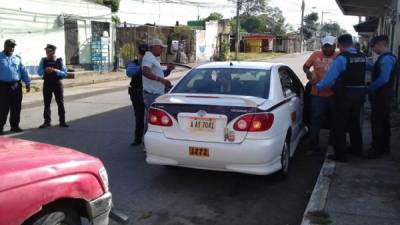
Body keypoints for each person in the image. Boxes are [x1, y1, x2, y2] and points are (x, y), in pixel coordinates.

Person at [316, 34, 367, 162]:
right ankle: (357, 149)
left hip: (344, 96)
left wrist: (319, 86)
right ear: (352, 43)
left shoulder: (342, 58)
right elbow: (371, 68)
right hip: (359, 96)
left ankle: (341, 155)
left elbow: (329, 79)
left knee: (340, 125)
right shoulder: (362, 56)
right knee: (355, 123)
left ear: (339, 45)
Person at [303, 36, 338, 155]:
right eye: (325, 46)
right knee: (316, 120)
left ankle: (333, 144)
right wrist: (309, 74)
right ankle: (313, 145)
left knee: (334, 120)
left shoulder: (338, 56)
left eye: (330, 46)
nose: (327, 48)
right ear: (322, 46)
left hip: (334, 95)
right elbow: (305, 66)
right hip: (317, 94)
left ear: (334, 46)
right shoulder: (315, 55)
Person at [366, 35, 398, 158]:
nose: (373, 49)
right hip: (385, 96)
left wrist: (369, 88)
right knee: (384, 122)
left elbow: (384, 79)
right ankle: (384, 148)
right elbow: (375, 69)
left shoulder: (386, 59)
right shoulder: (386, 58)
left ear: (380, 45)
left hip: (382, 96)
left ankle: (376, 150)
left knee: (377, 122)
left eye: (373, 46)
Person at [0, 39, 30, 135]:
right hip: (3, 86)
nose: (12, 48)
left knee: (16, 107)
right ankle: (0, 127)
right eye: (10, 46)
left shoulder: (17, 58)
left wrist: (27, 82)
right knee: (3, 108)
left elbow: (23, 71)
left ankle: (15, 126)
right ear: (5, 46)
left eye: (13, 46)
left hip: (16, 85)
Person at [37, 44, 69, 128]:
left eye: (49, 51)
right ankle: (47, 122)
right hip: (47, 83)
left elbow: (65, 74)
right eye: (46, 51)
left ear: (53, 51)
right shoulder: (43, 60)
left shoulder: (59, 60)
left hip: (57, 83)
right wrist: (45, 70)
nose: (47, 53)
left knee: (60, 102)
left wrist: (55, 70)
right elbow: (39, 72)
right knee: (46, 103)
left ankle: (62, 121)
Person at [142, 39, 175, 110]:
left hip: (157, 94)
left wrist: (169, 69)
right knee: (152, 118)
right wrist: (161, 80)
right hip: (152, 95)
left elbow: (159, 74)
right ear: (154, 47)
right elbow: (145, 72)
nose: (162, 49)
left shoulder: (154, 58)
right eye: (161, 47)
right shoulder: (148, 57)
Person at [126, 44, 148, 146]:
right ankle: (138, 139)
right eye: (142, 54)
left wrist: (169, 70)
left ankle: (147, 141)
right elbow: (129, 72)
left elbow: (161, 73)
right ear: (139, 54)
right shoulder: (135, 63)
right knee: (139, 118)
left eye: (145, 54)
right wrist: (141, 67)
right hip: (137, 94)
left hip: (148, 94)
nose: (143, 56)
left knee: (149, 119)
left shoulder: (152, 63)